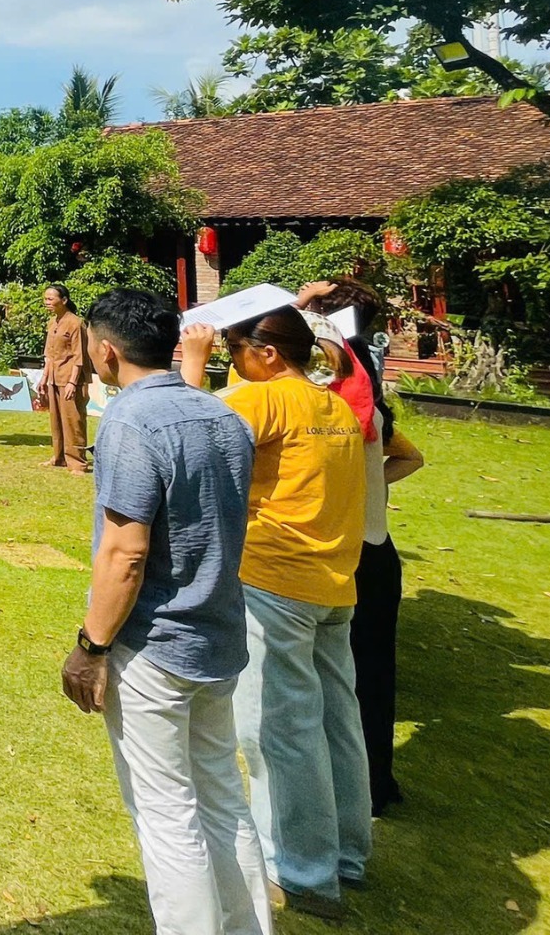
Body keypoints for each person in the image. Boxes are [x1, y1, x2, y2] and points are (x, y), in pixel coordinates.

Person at [58, 290, 271, 935]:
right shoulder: (224, 416)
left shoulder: (128, 422)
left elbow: (125, 553)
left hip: (156, 645)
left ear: (105, 350)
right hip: (217, 635)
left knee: (167, 811)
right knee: (222, 801)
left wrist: (91, 648)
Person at [182, 308, 370, 920]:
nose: (231, 357)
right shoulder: (334, 406)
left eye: (235, 348)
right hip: (333, 582)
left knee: (276, 727)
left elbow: (186, 432)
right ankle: (345, 852)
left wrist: (191, 364)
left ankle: (302, 869)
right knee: (337, 721)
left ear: (266, 353)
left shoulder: (267, 399)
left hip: (277, 579)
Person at [297, 281, 422, 817]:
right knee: (367, 676)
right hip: (373, 548)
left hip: (334, 554)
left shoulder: (318, 401)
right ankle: (371, 784)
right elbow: (404, 457)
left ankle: (340, 792)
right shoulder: (365, 392)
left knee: (327, 680)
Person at [41, 283, 94, 473]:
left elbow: (79, 356)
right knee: (56, 420)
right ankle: (59, 457)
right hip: (54, 378)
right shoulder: (52, 322)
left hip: (71, 379)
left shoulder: (76, 323)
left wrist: (73, 381)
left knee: (73, 420)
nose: (46, 302)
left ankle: (78, 462)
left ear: (63, 300)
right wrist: (44, 377)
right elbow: (49, 354)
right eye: (45, 298)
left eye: (50, 298)